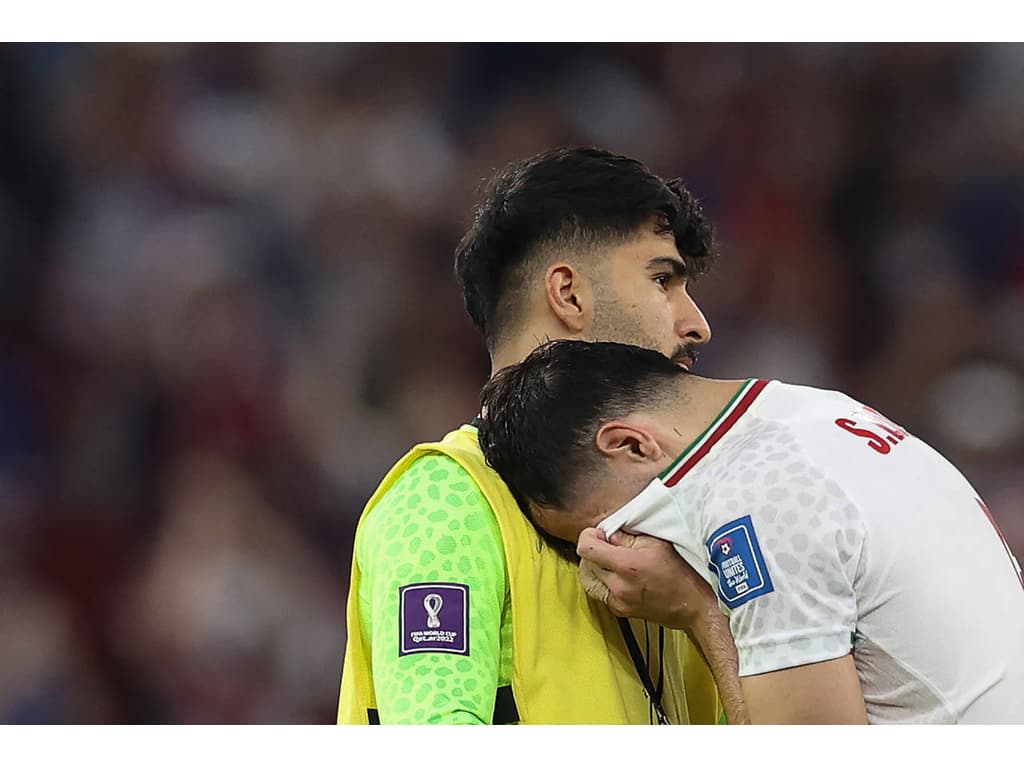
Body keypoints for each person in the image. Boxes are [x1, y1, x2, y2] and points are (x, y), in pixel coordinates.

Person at [338, 147, 747, 724]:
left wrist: (704, 616)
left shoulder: (677, 529)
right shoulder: (447, 502)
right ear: (568, 295)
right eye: (662, 280)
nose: (696, 323)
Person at [477, 339, 1024, 724]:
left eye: (614, 527)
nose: (618, 555)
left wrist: (698, 612)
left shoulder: (754, 500)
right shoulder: (818, 410)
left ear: (632, 445)